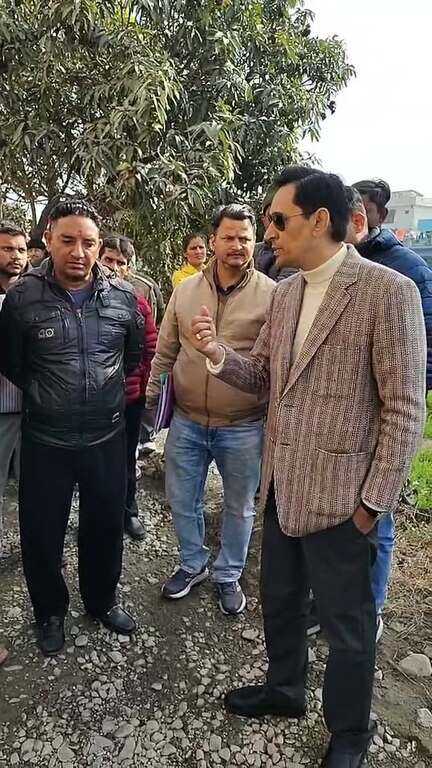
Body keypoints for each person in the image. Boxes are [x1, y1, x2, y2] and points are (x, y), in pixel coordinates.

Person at [190, 167, 426, 768]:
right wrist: (216, 352)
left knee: (348, 627)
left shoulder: (387, 291)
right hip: (280, 488)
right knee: (281, 601)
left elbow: (404, 408)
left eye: (277, 219)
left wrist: (372, 504)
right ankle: (285, 690)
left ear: (320, 220)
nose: (267, 232)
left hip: (344, 501)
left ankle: (349, 731)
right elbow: (263, 376)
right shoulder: (287, 291)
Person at [0, 200, 144, 657]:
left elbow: (132, 358)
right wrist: (51, 396)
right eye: (67, 240)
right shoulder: (22, 297)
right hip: (47, 439)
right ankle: (49, 611)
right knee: (42, 532)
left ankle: (101, 601)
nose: (78, 252)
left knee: (104, 525)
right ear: (48, 240)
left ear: (99, 246)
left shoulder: (123, 297)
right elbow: (12, 363)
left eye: (88, 242)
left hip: (106, 436)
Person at [146, 204, 274, 615]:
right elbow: (166, 348)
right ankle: (192, 563)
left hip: (243, 425)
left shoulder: (273, 295)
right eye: (229, 237)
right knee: (183, 500)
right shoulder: (186, 291)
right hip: (186, 420)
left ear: (254, 241)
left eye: (245, 238)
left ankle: (229, 573)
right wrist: (152, 394)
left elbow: (273, 366)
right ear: (213, 241)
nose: (237, 245)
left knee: (240, 506)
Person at [345, 185, 432, 639]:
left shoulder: (407, 271)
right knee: (339, 516)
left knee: (377, 515)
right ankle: (334, 600)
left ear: (373, 216)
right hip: (343, 415)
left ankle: (372, 607)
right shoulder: (332, 266)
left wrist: (409, 395)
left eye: (361, 211)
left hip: (384, 412)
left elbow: (424, 345)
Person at [100, 235, 157, 541]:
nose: (113, 267)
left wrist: (144, 392)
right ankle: (97, 516)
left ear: (129, 268)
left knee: (126, 458)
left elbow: (151, 350)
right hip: (90, 402)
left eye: (120, 262)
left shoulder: (138, 303)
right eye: (108, 259)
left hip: (129, 399)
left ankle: (128, 511)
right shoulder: (80, 300)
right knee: (93, 463)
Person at [353, 178, 432, 391]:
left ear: (382, 215)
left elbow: (428, 334)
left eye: (365, 211)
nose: (356, 219)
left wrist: (408, 389)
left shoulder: (410, 267)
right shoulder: (334, 260)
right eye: (348, 212)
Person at [0, 221, 28, 557]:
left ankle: (37, 547)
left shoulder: (35, 294)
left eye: (21, 249)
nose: (16, 256)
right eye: (7, 248)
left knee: (34, 486)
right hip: (2, 411)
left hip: (35, 409)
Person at [254, 191, 297, 281]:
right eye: (270, 219)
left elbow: (284, 285)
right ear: (263, 220)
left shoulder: (294, 251)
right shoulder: (254, 250)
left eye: (279, 220)